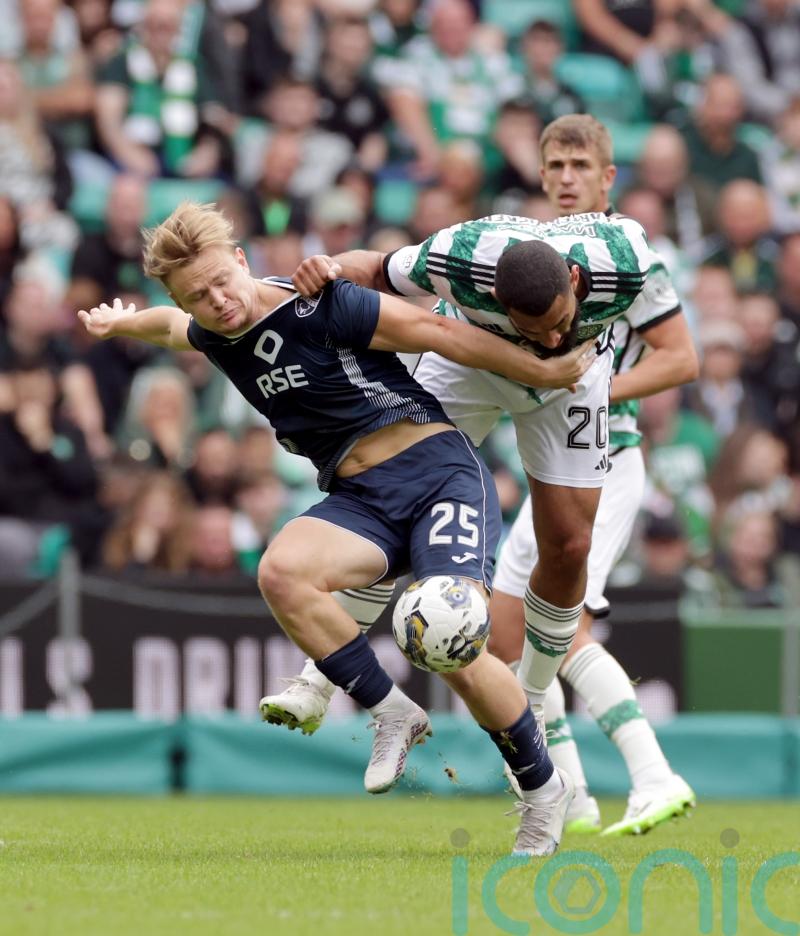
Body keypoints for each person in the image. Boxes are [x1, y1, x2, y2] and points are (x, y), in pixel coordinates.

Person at [77, 202, 600, 856]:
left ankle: (544, 789)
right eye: (197, 297)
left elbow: (435, 332)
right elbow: (170, 327)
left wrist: (542, 371)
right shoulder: (212, 331)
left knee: (449, 645)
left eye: (221, 283)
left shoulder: (320, 304)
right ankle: (392, 713)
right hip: (361, 499)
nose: (217, 302)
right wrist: (123, 322)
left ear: (242, 261)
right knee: (280, 573)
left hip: (436, 474)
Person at [275, 114, 699, 836]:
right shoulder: (460, 257)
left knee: (568, 543)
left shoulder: (627, 258)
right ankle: (322, 675)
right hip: (472, 364)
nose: (549, 335)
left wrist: (571, 365)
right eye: (533, 327)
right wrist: (322, 267)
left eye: (560, 318)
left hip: (572, 385)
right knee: (399, 486)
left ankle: (530, 700)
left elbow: (678, 355)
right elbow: (372, 268)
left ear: (577, 281)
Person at [488, 115, 699, 836]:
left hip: (607, 460)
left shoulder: (630, 257)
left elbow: (681, 358)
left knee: (564, 623)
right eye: (556, 165)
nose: (567, 177)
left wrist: (591, 390)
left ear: (609, 177)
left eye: (581, 165)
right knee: (506, 629)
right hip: (554, 464)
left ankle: (654, 776)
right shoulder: (532, 254)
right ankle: (572, 794)